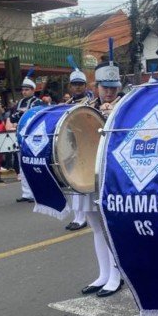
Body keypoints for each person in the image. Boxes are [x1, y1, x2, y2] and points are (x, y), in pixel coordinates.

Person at [80, 55, 124, 297]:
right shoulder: (86, 107)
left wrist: (113, 116)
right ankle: (103, 274)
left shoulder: (126, 105)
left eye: (113, 87)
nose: (108, 92)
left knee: (110, 227)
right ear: (96, 87)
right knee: (95, 226)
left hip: (113, 173)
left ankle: (117, 275)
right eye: (104, 87)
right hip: (89, 171)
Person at [6, 72, 42, 202]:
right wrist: (19, 114)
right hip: (21, 134)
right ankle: (26, 193)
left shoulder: (38, 101)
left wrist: (22, 114)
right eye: (23, 89)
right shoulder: (20, 102)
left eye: (27, 89)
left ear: (33, 90)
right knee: (22, 165)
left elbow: (35, 116)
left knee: (32, 164)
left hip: (33, 136)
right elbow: (13, 116)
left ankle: (36, 193)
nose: (24, 92)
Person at [64, 65, 90, 231]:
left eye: (81, 84)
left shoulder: (89, 102)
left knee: (81, 183)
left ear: (85, 86)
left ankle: (82, 217)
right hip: (71, 146)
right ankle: (77, 215)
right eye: (75, 84)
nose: (78, 87)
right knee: (71, 183)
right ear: (70, 86)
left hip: (85, 147)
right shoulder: (66, 103)